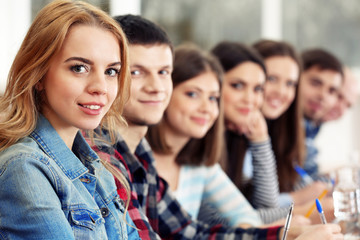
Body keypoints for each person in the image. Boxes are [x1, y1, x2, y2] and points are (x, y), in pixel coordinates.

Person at [89, 14, 343, 240]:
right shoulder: (102, 156)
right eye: (136, 72)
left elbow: (187, 231)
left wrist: (284, 233)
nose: (156, 86)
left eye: (164, 72)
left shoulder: (140, 155)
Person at [0, 0, 139, 239]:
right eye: (79, 68)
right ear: (39, 74)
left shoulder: (95, 165)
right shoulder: (24, 168)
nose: (101, 87)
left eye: (111, 71)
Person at [146, 44, 263, 228]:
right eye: (192, 94)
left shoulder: (199, 165)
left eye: (213, 98)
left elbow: (247, 217)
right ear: (164, 93)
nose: (206, 108)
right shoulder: (136, 161)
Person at [252, 40, 334, 216]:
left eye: (290, 84)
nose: (282, 92)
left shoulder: (279, 130)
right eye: (272, 79)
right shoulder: (244, 135)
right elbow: (256, 211)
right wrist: (298, 205)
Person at [299, 48, 343, 179]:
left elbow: (307, 177)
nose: (322, 96)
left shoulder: (310, 126)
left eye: (331, 91)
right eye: (315, 83)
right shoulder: (276, 128)